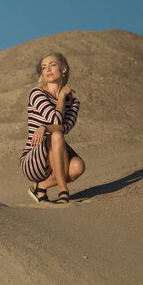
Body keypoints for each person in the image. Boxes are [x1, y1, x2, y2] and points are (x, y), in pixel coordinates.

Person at [20, 53, 85, 204]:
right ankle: (63, 191)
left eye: (52, 65)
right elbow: (55, 120)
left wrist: (44, 127)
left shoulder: (74, 102)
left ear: (63, 69)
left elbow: (66, 127)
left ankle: (40, 187)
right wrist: (61, 98)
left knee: (78, 166)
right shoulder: (37, 93)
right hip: (33, 158)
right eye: (44, 67)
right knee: (56, 135)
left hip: (57, 150)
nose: (47, 69)